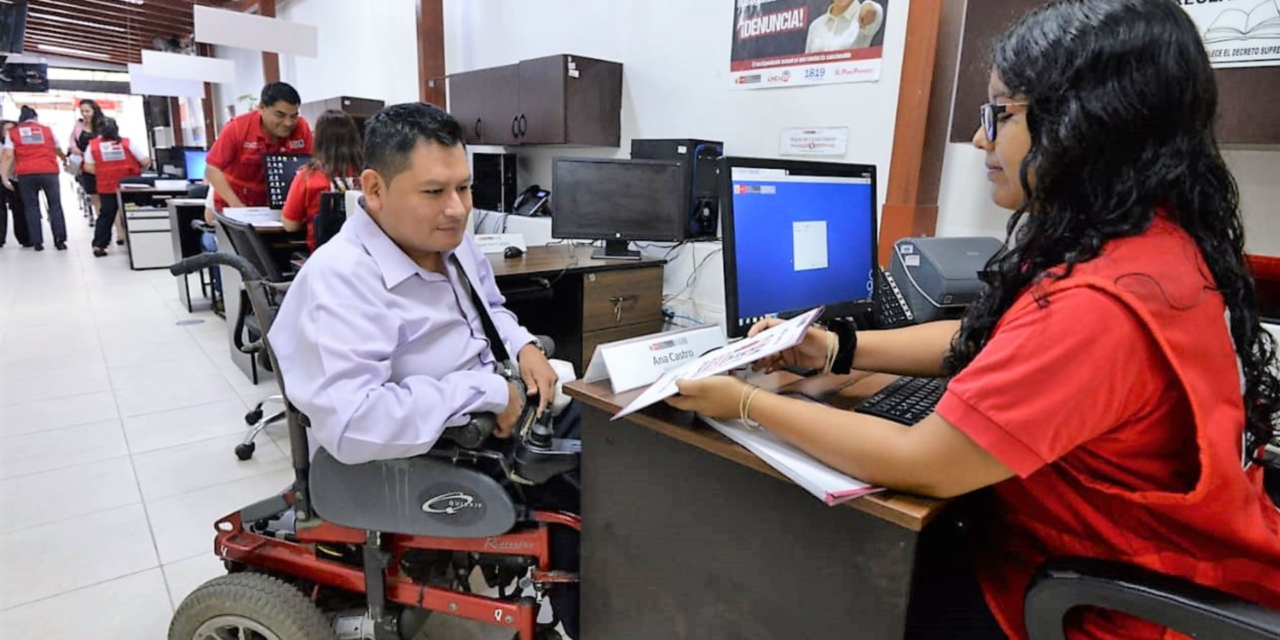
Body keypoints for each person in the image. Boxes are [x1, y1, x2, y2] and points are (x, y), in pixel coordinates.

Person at [668, 1, 1280, 639]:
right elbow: (984, 338)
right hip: (1175, 554)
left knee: (830, 572)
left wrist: (743, 402)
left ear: (1084, 123)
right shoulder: (1152, 245)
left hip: (1095, 605)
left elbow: (921, 458)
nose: (981, 138)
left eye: (1001, 114)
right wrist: (834, 348)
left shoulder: (1103, 303)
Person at [267, 102, 579, 638]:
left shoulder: (447, 241)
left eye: (464, 188)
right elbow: (353, 424)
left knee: (637, 443)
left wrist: (525, 347)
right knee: (597, 505)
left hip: (500, 411)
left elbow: (492, 309)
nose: (457, 209)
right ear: (375, 188)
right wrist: (486, 394)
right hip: (436, 450)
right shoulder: (341, 282)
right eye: (434, 192)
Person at [204, 81, 312, 213]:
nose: (288, 123)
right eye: (280, 115)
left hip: (276, 206)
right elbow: (212, 169)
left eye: (293, 116)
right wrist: (237, 207)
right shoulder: (238, 128)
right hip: (235, 203)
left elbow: (312, 166)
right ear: (261, 107)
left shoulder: (301, 128)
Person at [281, 109, 362, 252]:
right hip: (364, 259)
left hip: (323, 260)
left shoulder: (307, 177)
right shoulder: (369, 176)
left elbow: (290, 225)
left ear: (318, 140)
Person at [0, 106, 69, 251]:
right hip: (49, 171)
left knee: (31, 207)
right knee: (55, 205)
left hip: (26, 173)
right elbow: (57, 148)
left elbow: (8, 155)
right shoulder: (47, 130)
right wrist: (64, 159)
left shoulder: (13, 133)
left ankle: (37, 241)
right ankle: (60, 240)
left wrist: (4, 176)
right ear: (36, 118)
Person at [83, 118, 151, 257]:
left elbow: (88, 167)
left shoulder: (93, 146)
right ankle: (140, 240)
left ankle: (98, 245)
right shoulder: (128, 143)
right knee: (134, 212)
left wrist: (104, 171)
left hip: (106, 185)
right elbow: (145, 161)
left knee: (106, 215)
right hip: (131, 185)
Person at [805, 0, 884, 53]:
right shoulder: (815, 26)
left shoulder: (862, 16)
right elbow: (805, 67)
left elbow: (874, 12)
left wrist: (869, 5)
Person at [0, 120, 29, 248]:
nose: (8, 133)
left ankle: (24, 238)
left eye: (12, 129)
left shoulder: (20, 144)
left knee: (19, 208)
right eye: (6, 130)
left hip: (15, 178)